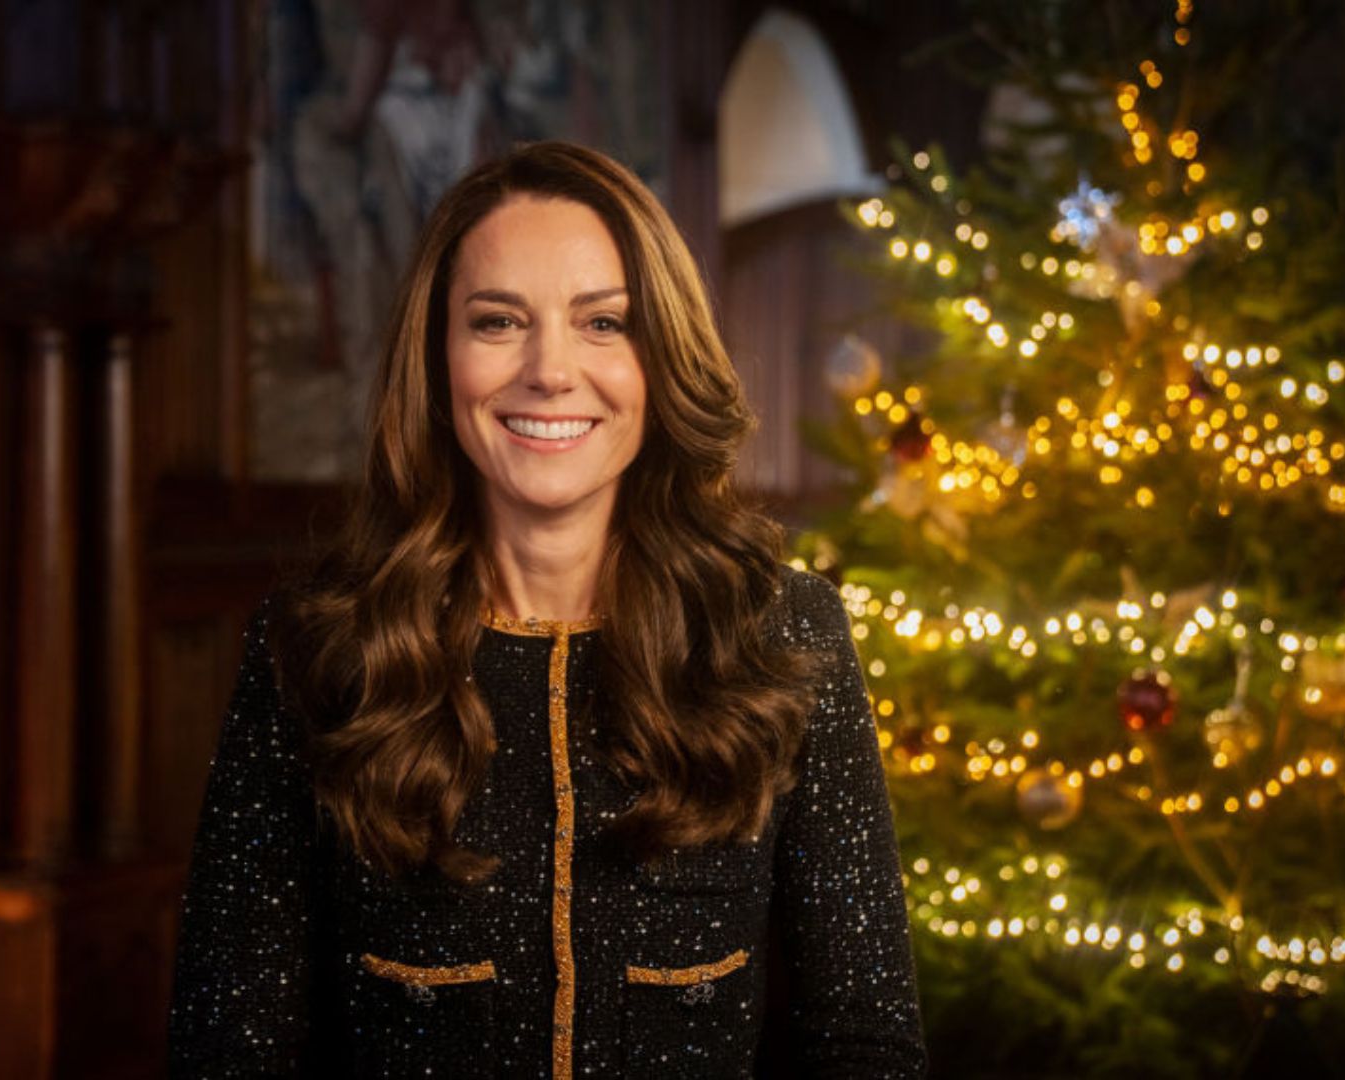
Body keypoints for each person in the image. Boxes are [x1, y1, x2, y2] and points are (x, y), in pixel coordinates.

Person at [167, 140, 926, 1078]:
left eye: (603, 322)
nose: (551, 370)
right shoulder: (318, 645)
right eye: (497, 322)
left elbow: (864, 1038)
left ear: (663, 357)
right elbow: (229, 1048)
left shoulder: (781, 628)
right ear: (439, 357)